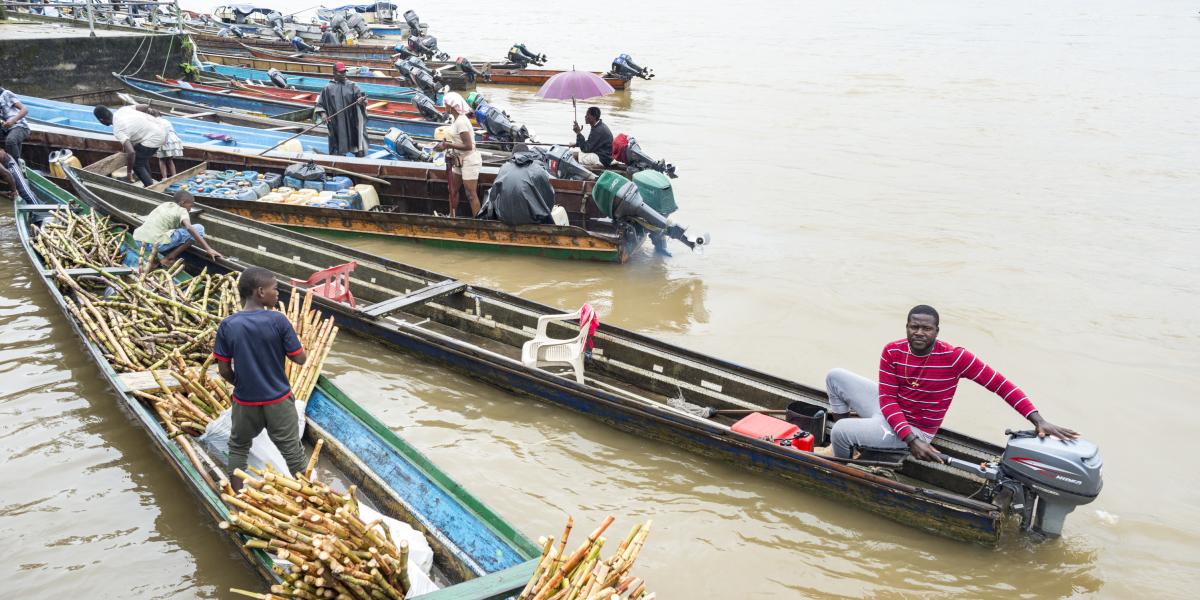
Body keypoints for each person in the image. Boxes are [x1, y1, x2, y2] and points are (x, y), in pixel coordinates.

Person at [826, 305, 1078, 461]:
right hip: (892, 415)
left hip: (917, 429)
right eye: (914, 327)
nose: (919, 333)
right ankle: (850, 449)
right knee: (835, 376)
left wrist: (1038, 420)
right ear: (906, 327)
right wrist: (909, 440)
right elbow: (888, 400)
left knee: (840, 431)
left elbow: (1001, 385)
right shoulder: (892, 351)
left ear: (937, 331)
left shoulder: (956, 358)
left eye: (926, 328)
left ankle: (845, 463)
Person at [213, 267, 309, 485]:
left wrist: (243, 384)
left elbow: (224, 370)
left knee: (238, 447)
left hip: (245, 402)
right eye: (274, 289)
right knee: (293, 452)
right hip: (278, 401)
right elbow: (300, 359)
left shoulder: (228, 325)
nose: (277, 293)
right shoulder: (278, 321)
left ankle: (236, 494)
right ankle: (311, 498)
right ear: (260, 292)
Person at [125, 190, 222, 269]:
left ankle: (154, 262)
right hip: (155, 244)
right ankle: (169, 258)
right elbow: (189, 227)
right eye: (190, 205)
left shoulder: (165, 205)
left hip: (139, 240)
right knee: (199, 228)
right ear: (182, 203)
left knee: (158, 232)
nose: (190, 209)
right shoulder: (182, 210)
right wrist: (208, 249)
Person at [93, 104, 167, 186]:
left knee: (136, 164)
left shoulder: (118, 130)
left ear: (102, 120)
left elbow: (131, 152)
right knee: (141, 156)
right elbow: (145, 106)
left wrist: (129, 171)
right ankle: (149, 180)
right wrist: (150, 113)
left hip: (154, 138)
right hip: (162, 129)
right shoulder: (122, 110)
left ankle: (150, 187)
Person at [435, 92, 482, 217]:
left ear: (451, 106)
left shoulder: (461, 122)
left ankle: (478, 222)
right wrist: (444, 146)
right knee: (452, 190)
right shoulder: (455, 119)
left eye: (445, 104)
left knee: (470, 194)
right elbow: (458, 141)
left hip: (469, 159)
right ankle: (452, 216)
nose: (444, 106)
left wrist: (448, 146)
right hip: (459, 159)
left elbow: (468, 146)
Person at [315, 63, 368, 158]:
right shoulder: (328, 88)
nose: (343, 74)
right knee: (337, 144)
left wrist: (361, 101)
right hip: (336, 123)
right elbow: (320, 105)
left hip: (352, 122)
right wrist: (323, 115)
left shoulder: (353, 86)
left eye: (344, 72)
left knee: (357, 141)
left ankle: (359, 159)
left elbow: (362, 99)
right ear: (334, 73)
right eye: (340, 72)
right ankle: (337, 160)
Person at [0, 84, 30, 164]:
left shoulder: (6, 94)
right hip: (4, 128)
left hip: (19, 126)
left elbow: (25, 109)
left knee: (11, 140)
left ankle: (16, 167)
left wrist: (13, 120)